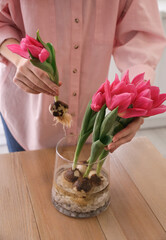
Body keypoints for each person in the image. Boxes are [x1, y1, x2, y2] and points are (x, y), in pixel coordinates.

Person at [0, 0, 165, 153]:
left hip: (91, 120)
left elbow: (141, 38)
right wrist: (18, 57)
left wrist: (135, 102)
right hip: (24, 113)